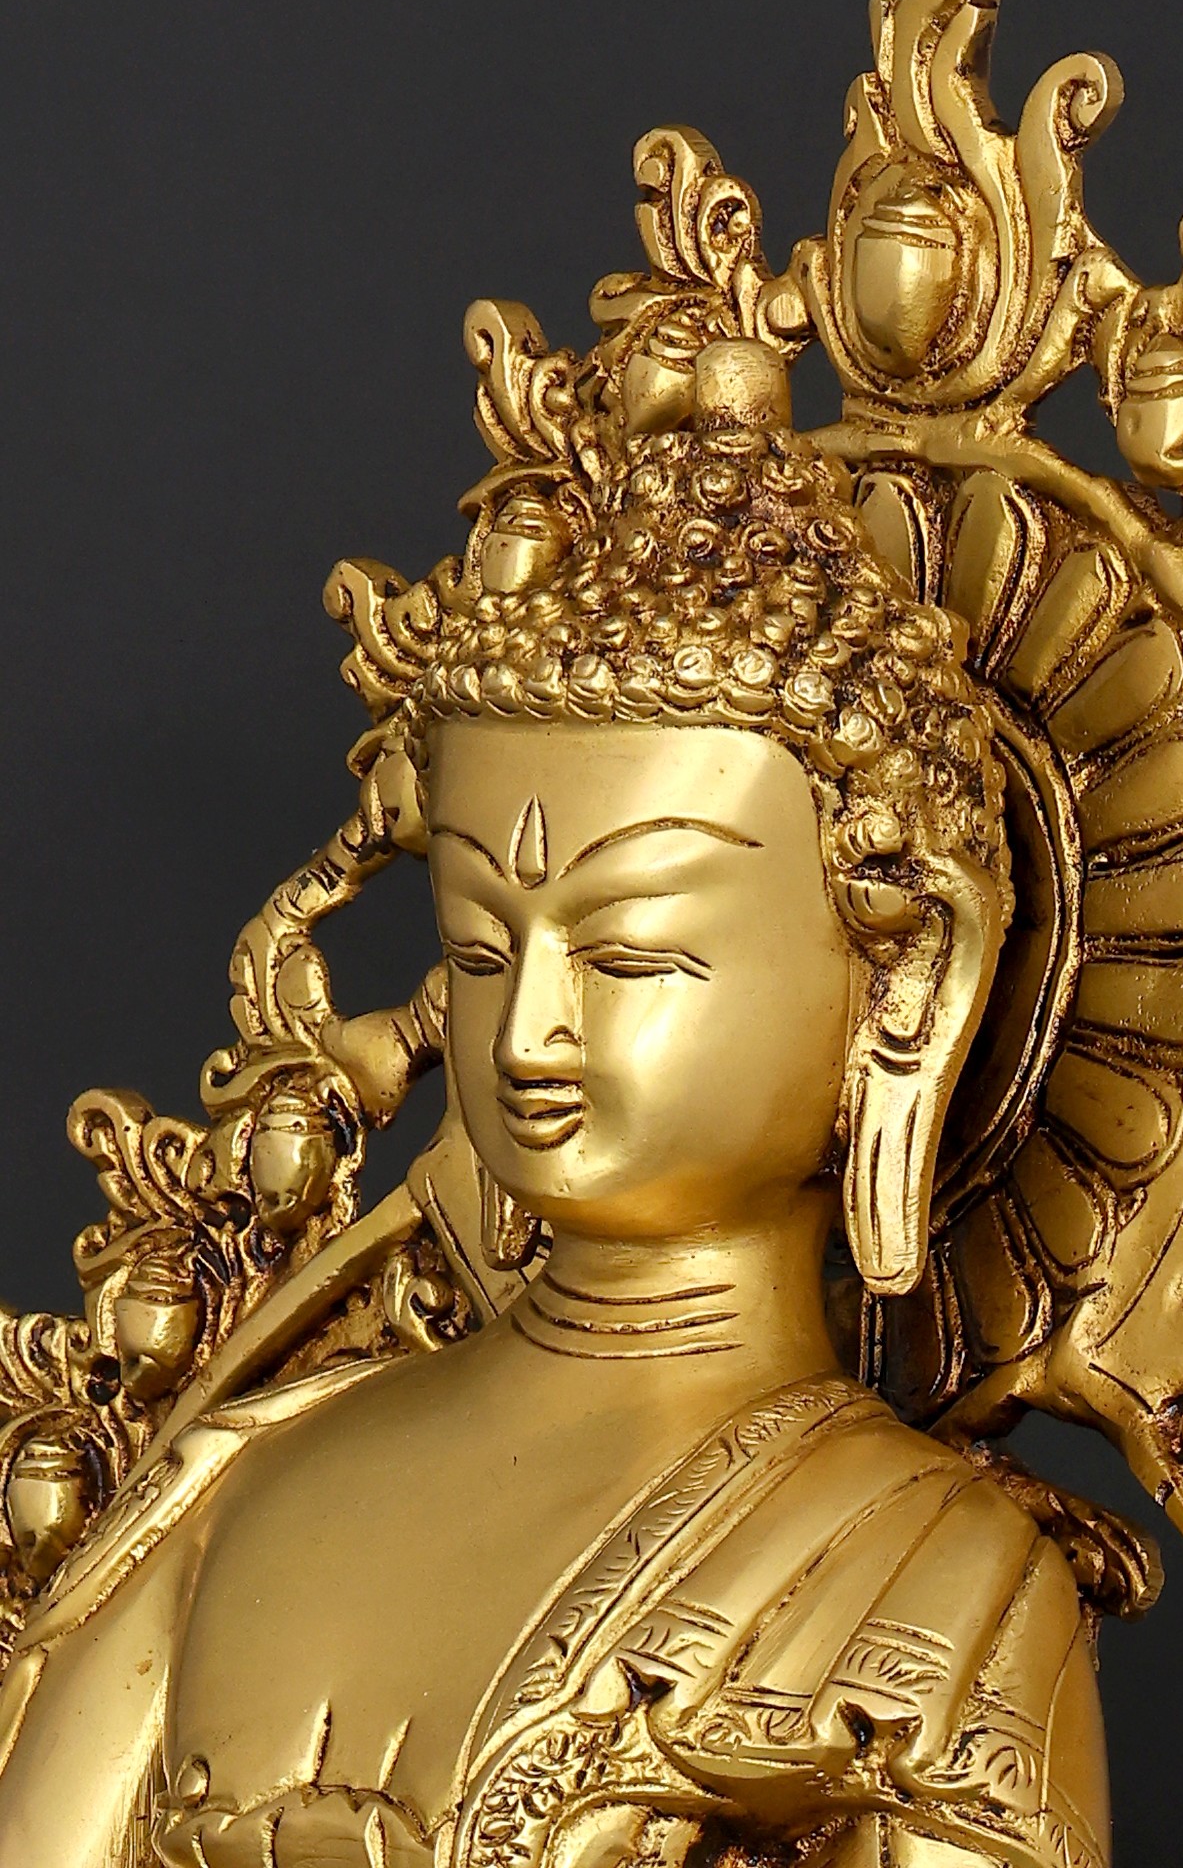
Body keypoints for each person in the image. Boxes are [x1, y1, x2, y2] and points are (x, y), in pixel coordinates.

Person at [0, 342, 1109, 1868]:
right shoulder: (243, 1486)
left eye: (632, 955)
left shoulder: (930, 1584)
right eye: (476, 949)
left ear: (906, 981)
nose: (526, 1030)